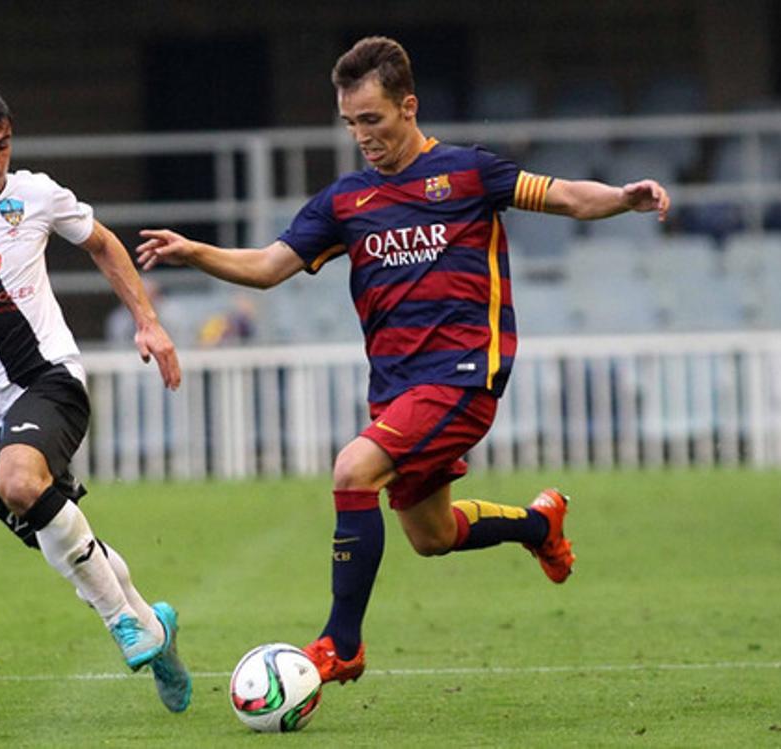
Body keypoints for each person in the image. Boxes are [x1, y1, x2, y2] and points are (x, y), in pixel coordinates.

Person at [137, 37, 671, 685]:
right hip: (397, 389)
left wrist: (624, 196)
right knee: (432, 534)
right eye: (350, 123)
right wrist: (196, 251)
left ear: (408, 106)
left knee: (353, 468)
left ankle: (341, 643)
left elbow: (565, 196)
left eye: (373, 119)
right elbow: (269, 266)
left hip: (466, 373)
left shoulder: (469, 173)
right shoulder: (345, 202)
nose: (362, 135)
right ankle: (539, 522)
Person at [0, 72, 191, 712]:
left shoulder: (37, 195)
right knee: (65, 543)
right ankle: (155, 627)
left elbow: (103, 245)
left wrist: (148, 322)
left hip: (49, 379)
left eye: (2, 145)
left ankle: (121, 625)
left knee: (22, 482)